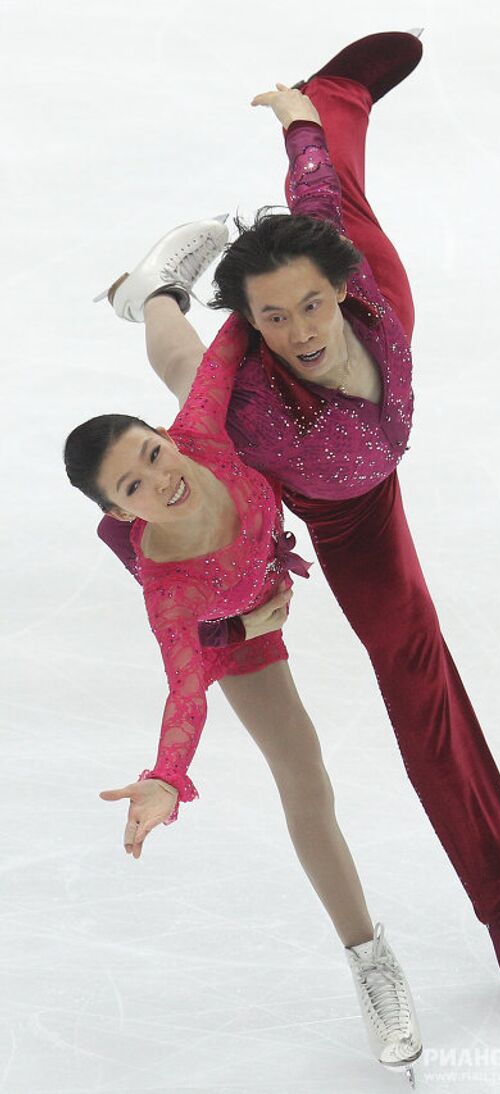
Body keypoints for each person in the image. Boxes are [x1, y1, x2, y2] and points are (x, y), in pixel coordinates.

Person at [95, 31, 500, 1013]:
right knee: (178, 365)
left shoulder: (367, 296)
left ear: (338, 292)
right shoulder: (242, 388)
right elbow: (232, 515)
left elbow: (316, 205)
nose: (301, 331)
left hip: (366, 505)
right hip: (298, 494)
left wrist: (305, 123)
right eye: (275, 318)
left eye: (311, 305)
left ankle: (336, 90)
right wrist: (254, 592)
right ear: (252, 327)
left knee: (338, 200)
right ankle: (155, 294)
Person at [65, 236, 422, 1074]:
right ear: (123, 511)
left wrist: (267, 262)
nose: (161, 481)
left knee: (194, 357)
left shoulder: (196, 440)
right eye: (135, 488)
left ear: (161, 438)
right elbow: (183, 692)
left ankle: (152, 290)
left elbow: (242, 328)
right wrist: (163, 776)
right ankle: (372, 964)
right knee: (305, 774)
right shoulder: (172, 592)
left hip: (256, 550)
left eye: (152, 455)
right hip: (230, 621)